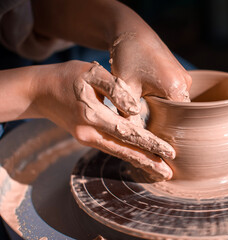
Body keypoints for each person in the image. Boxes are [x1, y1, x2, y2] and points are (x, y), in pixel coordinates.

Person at [0, 0, 192, 181]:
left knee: (176, 75)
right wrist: (37, 90)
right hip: (9, 88)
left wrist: (122, 25)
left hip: (33, 46)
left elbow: (23, 11)